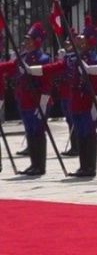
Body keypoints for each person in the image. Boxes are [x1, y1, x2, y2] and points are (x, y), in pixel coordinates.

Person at [31, 17, 97, 179]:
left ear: (90, 41)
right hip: (76, 103)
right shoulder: (72, 58)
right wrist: (33, 70)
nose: (79, 40)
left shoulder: (95, 59)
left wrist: (96, 105)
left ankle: (90, 167)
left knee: (89, 133)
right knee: (80, 133)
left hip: (88, 102)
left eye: (83, 38)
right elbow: (54, 68)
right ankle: (83, 166)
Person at [0, 23, 52, 176]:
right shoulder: (23, 57)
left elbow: (47, 84)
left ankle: (39, 166)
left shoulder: (43, 58)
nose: (25, 43)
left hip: (37, 101)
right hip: (25, 101)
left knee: (38, 132)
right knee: (30, 132)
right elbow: (9, 67)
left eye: (29, 40)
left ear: (37, 41)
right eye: (25, 40)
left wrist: (43, 104)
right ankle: (33, 164)